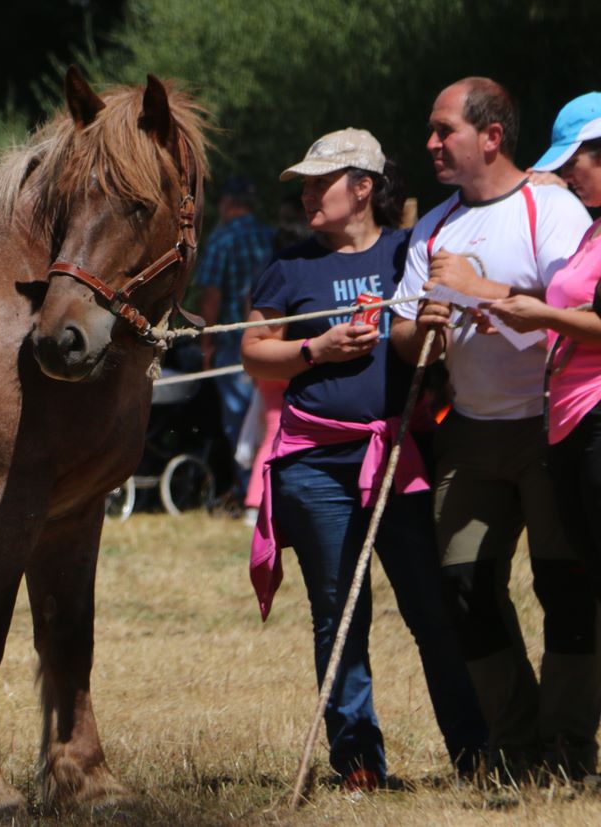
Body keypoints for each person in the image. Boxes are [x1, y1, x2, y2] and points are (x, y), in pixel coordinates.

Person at [243, 128, 486, 790]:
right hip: (314, 464)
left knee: (430, 606)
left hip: (397, 455)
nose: (306, 192)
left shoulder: (410, 253)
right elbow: (251, 350)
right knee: (338, 612)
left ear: (364, 187)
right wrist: (313, 350)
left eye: (321, 180)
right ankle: (358, 763)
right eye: (305, 182)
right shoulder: (288, 267)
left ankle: (475, 751)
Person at [390, 78, 597, 780]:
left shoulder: (554, 210)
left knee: (566, 586)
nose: (430, 143)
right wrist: (423, 327)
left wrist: (485, 295)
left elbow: (577, 308)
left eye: (442, 128)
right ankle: (516, 747)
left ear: (491, 136)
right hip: (470, 432)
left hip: (550, 426)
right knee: (466, 588)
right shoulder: (434, 226)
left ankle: (569, 749)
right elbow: (401, 333)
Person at [487, 91, 601, 612]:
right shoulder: (593, 228)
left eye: (573, 164)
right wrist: (520, 320)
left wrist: (542, 317)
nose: (568, 177)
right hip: (569, 421)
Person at [194, 175, 275, 508]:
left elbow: (210, 295)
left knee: (239, 420)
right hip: (274, 340)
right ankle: (265, 488)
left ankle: (248, 493)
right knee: (266, 417)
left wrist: (206, 342)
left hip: (233, 343)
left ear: (227, 204)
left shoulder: (221, 239)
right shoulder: (270, 235)